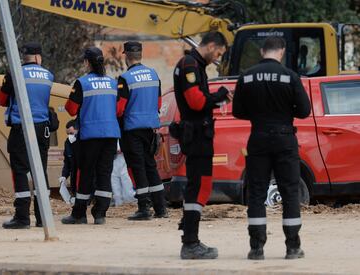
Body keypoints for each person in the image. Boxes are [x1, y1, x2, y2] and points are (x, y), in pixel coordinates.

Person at [232, 36, 311, 260]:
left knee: (256, 192)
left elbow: (237, 111)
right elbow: (304, 111)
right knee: (289, 191)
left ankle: (256, 248)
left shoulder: (246, 77)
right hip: (285, 139)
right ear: (282, 52)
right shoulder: (290, 76)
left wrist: (258, 115)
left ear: (261, 51)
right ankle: (293, 247)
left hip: (257, 138)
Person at [173, 31, 232, 259]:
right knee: (198, 186)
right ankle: (190, 243)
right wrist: (219, 96)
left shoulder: (195, 64)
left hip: (199, 135)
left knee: (200, 186)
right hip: (196, 136)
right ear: (210, 46)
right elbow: (196, 101)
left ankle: (190, 237)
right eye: (218, 52)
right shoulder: (190, 64)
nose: (217, 57)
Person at [0, 42, 54, 229]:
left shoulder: (15, 73)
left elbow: (1, 100)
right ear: (38, 58)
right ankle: (43, 217)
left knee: (21, 171)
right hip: (42, 129)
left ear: (24, 57)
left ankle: (22, 217)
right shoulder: (48, 75)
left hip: (21, 128)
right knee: (40, 171)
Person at [61, 46, 120, 225]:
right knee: (104, 173)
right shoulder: (112, 82)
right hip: (110, 135)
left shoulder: (82, 83)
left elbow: (71, 109)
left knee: (85, 173)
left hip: (90, 135)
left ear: (87, 62)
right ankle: (100, 213)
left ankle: (79, 214)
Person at [116, 41, 168, 220]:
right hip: (151, 128)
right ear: (140, 54)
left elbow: (119, 109)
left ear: (126, 56)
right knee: (151, 166)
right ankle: (161, 208)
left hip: (132, 129)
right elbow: (159, 103)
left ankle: (144, 208)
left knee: (137, 168)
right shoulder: (153, 75)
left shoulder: (125, 78)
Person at [111, 141, 136, 207]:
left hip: (123, 159)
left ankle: (130, 201)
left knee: (126, 181)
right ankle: (118, 202)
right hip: (113, 160)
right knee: (115, 184)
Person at [59, 119, 79, 203]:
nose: (69, 136)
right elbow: (67, 162)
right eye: (68, 134)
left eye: (71, 133)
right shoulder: (67, 143)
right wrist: (64, 176)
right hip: (74, 175)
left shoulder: (83, 143)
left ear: (77, 130)